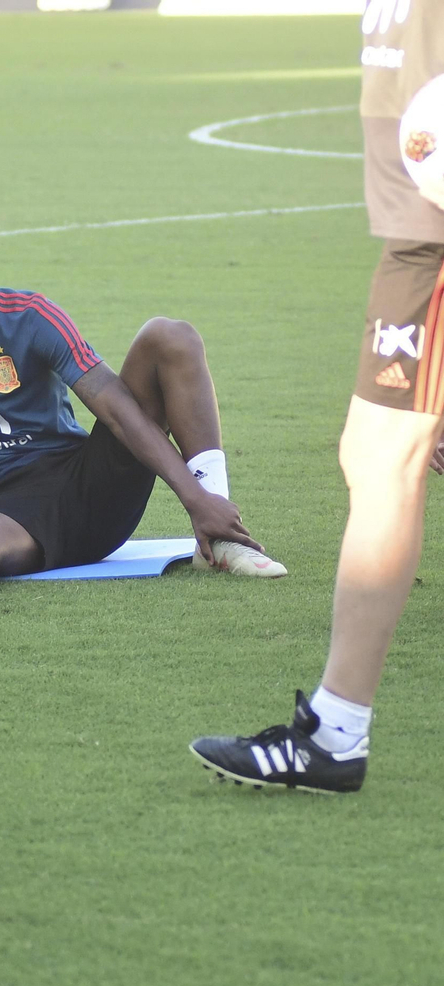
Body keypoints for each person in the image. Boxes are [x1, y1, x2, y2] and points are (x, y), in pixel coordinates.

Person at [189, 4, 444, 794]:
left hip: (432, 228)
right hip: (419, 222)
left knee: (382, 457)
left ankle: (334, 736)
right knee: (389, 455)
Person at [0, 196, 286, 608]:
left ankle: (222, 540)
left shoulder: (30, 316)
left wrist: (196, 499)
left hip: (88, 486)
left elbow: (115, 407)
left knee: (169, 335)